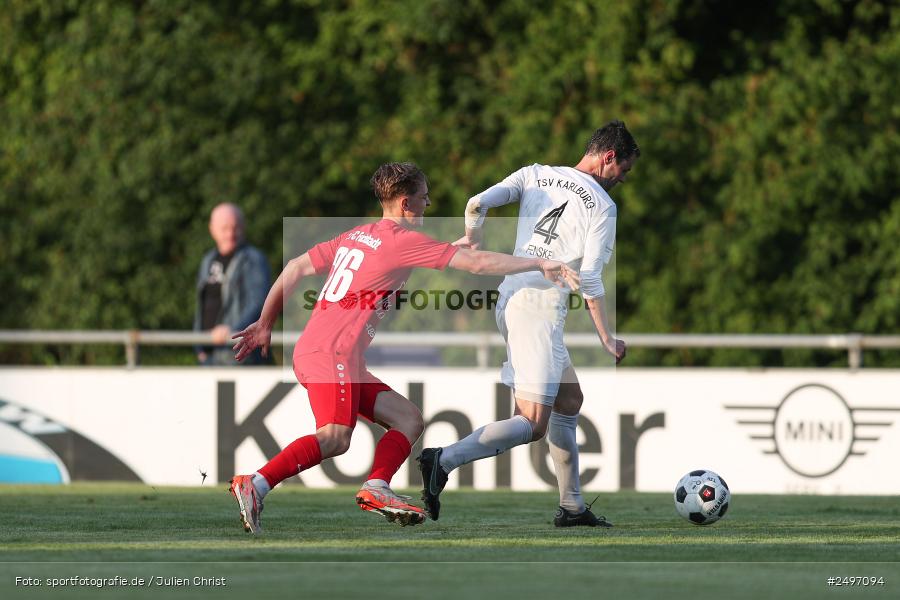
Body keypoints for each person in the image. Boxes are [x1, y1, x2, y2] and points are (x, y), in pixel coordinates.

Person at [228, 162, 579, 533]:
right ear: (406, 203)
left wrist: (266, 323)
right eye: (424, 198)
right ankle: (256, 484)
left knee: (408, 419)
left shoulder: (359, 235)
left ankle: (376, 486)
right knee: (334, 437)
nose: (429, 204)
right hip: (334, 353)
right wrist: (539, 262)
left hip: (322, 349)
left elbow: (296, 267)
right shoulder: (402, 241)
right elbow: (475, 264)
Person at [418, 120, 639, 527]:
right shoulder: (603, 207)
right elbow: (590, 279)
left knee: (569, 402)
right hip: (537, 312)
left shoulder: (535, 174)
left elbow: (475, 203)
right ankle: (442, 460)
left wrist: (474, 237)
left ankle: (572, 507)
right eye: (623, 172)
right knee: (533, 423)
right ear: (609, 158)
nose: (621, 181)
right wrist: (607, 338)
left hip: (512, 299)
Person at [194, 203, 271, 366]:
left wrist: (232, 330)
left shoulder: (253, 259)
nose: (230, 234)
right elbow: (201, 305)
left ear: (243, 228)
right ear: (212, 229)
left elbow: (259, 302)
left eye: (235, 228)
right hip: (209, 355)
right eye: (224, 228)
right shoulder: (208, 260)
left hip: (238, 355)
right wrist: (198, 346)